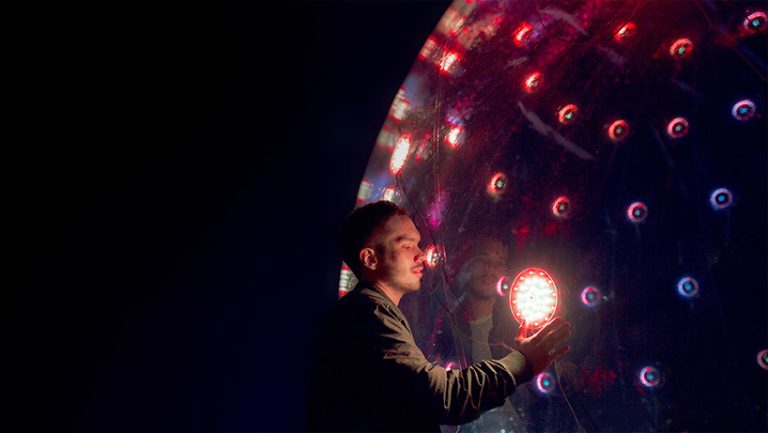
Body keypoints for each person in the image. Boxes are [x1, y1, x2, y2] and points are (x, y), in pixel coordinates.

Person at [306, 201, 572, 432]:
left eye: (418, 244)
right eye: (407, 245)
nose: (421, 254)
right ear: (370, 259)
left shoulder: (370, 314)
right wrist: (522, 362)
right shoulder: (367, 314)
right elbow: (441, 397)